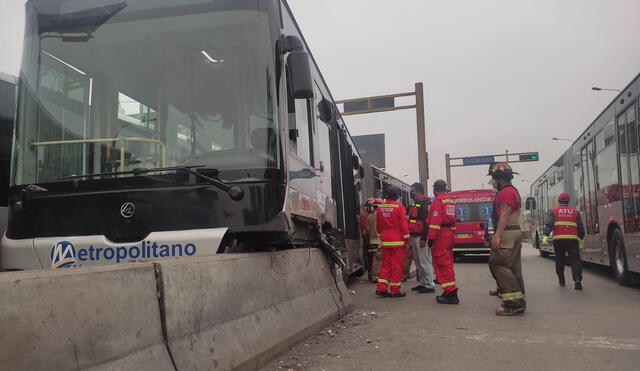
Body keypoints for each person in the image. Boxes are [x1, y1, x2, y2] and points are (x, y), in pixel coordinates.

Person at [488, 162, 526, 316]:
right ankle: (519, 299)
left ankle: (513, 303)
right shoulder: (513, 191)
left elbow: (504, 214)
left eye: (494, 178)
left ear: (498, 178)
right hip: (514, 231)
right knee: (514, 267)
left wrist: (497, 236)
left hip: (507, 233)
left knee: (498, 264)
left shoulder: (505, 193)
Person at [543, 192, 585, 290]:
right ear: (568, 201)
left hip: (559, 240)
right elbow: (580, 226)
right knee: (575, 260)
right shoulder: (575, 212)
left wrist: (545, 235)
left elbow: (549, 223)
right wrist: (581, 237)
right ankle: (577, 279)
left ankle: (562, 280)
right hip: (572, 240)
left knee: (560, 260)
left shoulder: (553, 211)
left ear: (558, 201)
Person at [427, 179, 459, 304]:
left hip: (440, 235)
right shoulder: (450, 200)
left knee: (442, 264)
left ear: (435, 190)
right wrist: (451, 235)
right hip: (448, 234)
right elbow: (453, 221)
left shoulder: (438, 201)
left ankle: (450, 292)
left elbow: (435, 222)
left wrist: (431, 238)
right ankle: (449, 290)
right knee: (447, 262)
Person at [375, 186, 411, 298]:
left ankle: (381, 288)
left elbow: (378, 225)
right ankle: (395, 290)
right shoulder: (399, 207)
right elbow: (404, 225)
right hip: (398, 242)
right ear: (397, 196)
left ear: (386, 195)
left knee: (385, 265)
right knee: (397, 266)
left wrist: (382, 235)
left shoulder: (380, 208)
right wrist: (407, 240)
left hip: (386, 241)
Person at [408, 183, 436, 293]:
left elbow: (427, 223)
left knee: (425, 261)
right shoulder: (417, 204)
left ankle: (429, 284)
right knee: (418, 261)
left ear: (419, 191)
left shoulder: (426, 204)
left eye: (413, 191)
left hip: (421, 237)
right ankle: (423, 283)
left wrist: (424, 239)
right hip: (415, 236)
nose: (412, 193)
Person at [366, 199, 383, 283]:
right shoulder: (381, 216)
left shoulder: (369, 216)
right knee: (378, 260)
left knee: (373, 259)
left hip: (372, 241)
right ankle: (375, 276)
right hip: (379, 241)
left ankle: (374, 275)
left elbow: (367, 230)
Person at [360, 199, 375, 276]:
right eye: (371, 206)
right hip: (369, 240)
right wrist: (367, 240)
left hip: (374, 240)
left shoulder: (375, 215)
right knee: (370, 258)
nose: (372, 207)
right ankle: (371, 273)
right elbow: (364, 229)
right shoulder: (364, 216)